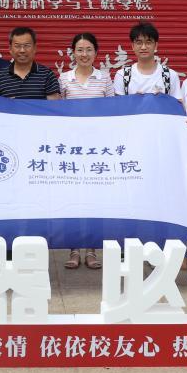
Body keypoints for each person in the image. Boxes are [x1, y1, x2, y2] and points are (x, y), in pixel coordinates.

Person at [57, 32, 113, 270]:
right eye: (79, 50)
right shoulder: (64, 79)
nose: (84, 54)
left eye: (89, 49)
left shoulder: (104, 78)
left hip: (97, 150)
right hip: (71, 149)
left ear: (96, 52)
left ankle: (91, 250)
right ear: (73, 53)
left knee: (94, 199)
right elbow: (57, 113)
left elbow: (113, 112)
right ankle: (73, 249)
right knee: (72, 199)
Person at [113, 21, 182, 99]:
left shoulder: (170, 76)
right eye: (139, 43)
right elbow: (118, 105)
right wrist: (132, 100)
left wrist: (162, 99)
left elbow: (176, 105)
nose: (143, 47)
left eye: (148, 42)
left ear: (155, 45)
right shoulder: (122, 75)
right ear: (133, 46)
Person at [0, 26, 60, 100]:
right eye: (17, 46)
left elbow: (53, 105)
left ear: (35, 48)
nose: (22, 50)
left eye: (27, 45)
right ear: (10, 49)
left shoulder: (47, 75)